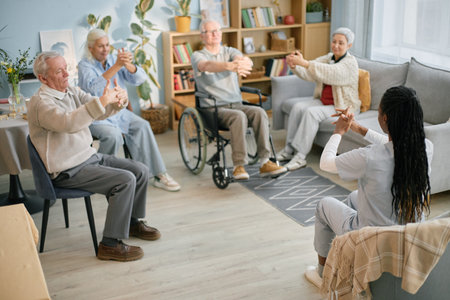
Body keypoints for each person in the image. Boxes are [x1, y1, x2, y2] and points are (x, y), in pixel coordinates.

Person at [28, 51, 161, 262]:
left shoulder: (70, 91)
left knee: (140, 170)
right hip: (67, 170)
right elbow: (69, 123)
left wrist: (117, 101)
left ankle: (132, 222)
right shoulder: (40, 104)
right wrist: (103, 101)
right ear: (43, 78)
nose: (66, 74)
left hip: (87, 157)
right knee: (125, 180)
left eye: (66, 68)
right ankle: (110, 244)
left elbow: (96, 108)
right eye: (59, 71)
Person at [304, 86, 433, 287]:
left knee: (324, 205)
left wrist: (338, 131)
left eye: (379, 112)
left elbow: (325, 162)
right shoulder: (425, 148)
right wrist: (358, 128)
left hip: (371, 239)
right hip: (407, 233)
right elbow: (395, 144)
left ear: (385, 119)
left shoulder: (370, 157)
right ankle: (347, 260)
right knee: (353, 198)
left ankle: (323, 275)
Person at [78, 29, 180, 192]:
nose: (105, 49)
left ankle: (159, 175)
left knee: (142, 125)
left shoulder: (113, 59)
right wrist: (117, 66)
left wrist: (128, 65)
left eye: (107, 45)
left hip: (119, 112)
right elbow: (94, 90)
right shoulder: (84, 65)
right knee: (113, 136)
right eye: (100, 46)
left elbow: (139, 79)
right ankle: (101, 175)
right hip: (97, 116)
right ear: (90, 48)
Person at [191, 19, 287, 180]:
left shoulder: (229, 51)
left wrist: (243, 63)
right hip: (213, 108)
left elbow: (244, 59)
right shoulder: (198, 55)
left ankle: (265, 161)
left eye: (217, 30)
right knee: (239, 117)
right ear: (202, 36)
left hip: (236, 104)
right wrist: (229, 66)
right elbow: (206, 66)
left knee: (259, 112)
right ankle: (239, 166)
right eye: (210, 31)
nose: (215, 34)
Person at [276, 27, 360, 171]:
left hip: (342, 106)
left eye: (341, 43)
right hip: (324, 102)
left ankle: (300, 157)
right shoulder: (328, 58)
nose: (336, 45)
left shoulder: (350, 63)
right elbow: (310, 74)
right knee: (298, 107)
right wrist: (294, 66)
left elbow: (330, 73)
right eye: (334, 42)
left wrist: (305, 63)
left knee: (311, 113)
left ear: (349, 46)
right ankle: (289, 150)